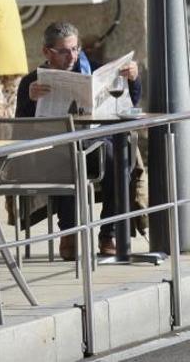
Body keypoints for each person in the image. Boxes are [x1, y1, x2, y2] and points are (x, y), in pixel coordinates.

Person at [15, 21, 141, 259]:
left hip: (95, 145)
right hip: (50, 152)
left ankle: (109, 233)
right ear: (47, 52)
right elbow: (21, 126)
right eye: (63, 51)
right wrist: (30, 99)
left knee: (118, 156)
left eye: (75, 49)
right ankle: (70, 232)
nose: (71, 56)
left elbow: (129, 103)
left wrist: (133, 79)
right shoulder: (32, 81)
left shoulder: (93, 70)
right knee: (67, 158)